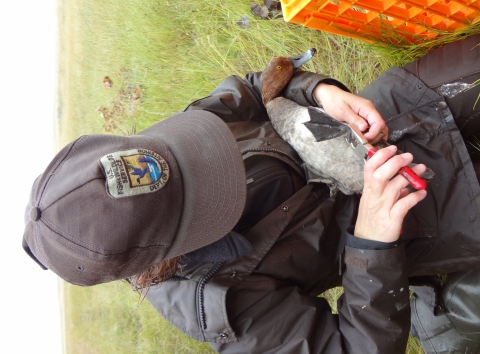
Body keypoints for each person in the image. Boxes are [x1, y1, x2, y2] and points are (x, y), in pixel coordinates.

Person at [23, 34, 480, 353]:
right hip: (418, 213)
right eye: (204, 187)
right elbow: (354, 347)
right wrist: (373, 241)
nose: (207, 157)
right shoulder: (218, 301)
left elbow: (248, 91)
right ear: (163, 254)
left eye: (190, 152)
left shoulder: (142, 165)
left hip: (397, 113)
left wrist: (319, 92)